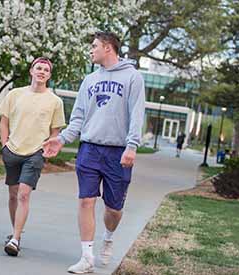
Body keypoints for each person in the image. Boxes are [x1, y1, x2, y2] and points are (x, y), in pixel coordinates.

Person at [43, 32, 145, 273]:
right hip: (89, 149)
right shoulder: (89, 80)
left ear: (108, 48)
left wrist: (132, 146)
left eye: (94, 46)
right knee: (86, 200)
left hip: (118, 152)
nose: (91, 50)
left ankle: (108, 237)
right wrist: (62, 138)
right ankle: (87, 257)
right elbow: (78, 117)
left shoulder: (133, 77)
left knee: (113, 209)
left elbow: (137, 114)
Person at [0, 57, 66, 256]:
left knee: (24, 194)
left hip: (35, 153)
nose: (42, 72)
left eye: (46, 69)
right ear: (31, 70)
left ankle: (15, 239)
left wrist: (47, 150)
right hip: (12, 150)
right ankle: (14, 232)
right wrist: (4, 145)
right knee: (13, 195)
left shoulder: (55, 101)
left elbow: (56, 130)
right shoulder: (15, 94)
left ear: (49, 75)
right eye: (39, 68)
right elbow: (4, 121)